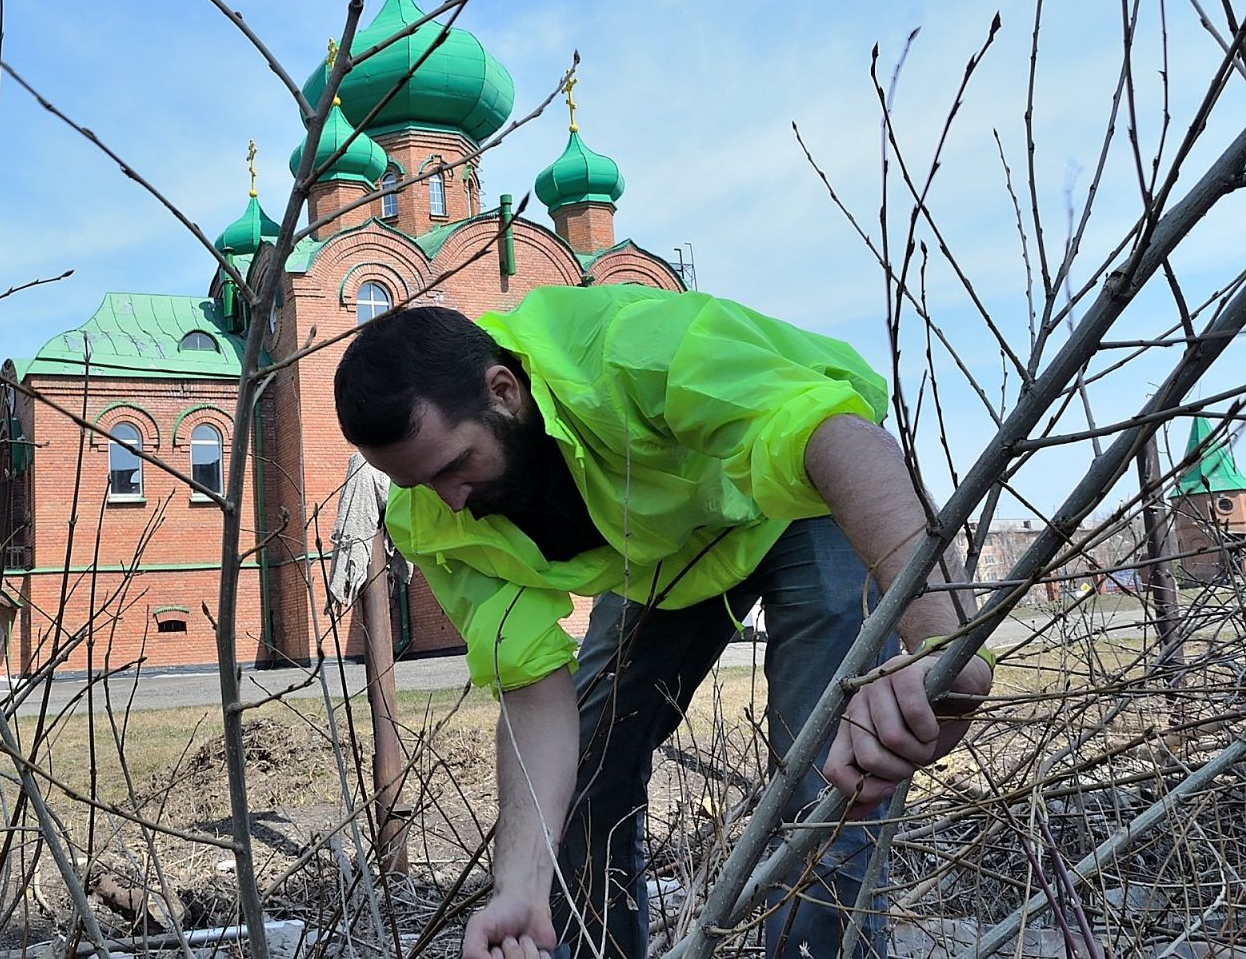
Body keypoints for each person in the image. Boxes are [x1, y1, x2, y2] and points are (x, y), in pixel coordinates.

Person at [332, 286, 993, 959]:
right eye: (421, 484)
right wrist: (519, 882)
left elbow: (837, 437)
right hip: (667, 548)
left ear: (503, 391)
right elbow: (531, 686)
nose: (453, 500)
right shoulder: (434, 516)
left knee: (824, 781)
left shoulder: (628, 352)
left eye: (454, 466)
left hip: (810, 496)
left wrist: (941, 643)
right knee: (588, 765)